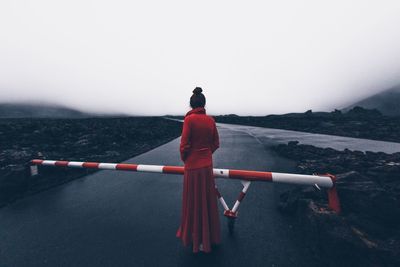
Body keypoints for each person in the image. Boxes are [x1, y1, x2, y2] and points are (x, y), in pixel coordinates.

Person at [176, 87, 221, 253]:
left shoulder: (189, 120)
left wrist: (187, 159)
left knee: (194, 203)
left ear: (191, 104)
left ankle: (195, 238)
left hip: (192, 168)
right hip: (206, 167)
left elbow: (184, 145)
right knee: (207, 203)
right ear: (204, 104)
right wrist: (206, 155)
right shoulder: (211, 120)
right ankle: (208, 238)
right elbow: (216, 143)